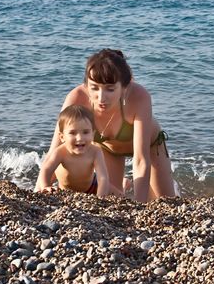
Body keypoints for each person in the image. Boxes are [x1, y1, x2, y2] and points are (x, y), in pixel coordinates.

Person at [46, 49, 176, 202]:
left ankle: (154, 188)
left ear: (124, 87)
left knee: (164, 202)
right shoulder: (76, 97)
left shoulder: (139, 96)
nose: (101, 98)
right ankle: (124, 184)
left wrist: (139, 206)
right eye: (94, 87)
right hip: (108, 149)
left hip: (151, 147)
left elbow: (141, 159)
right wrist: (40, 189)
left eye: (110, 89)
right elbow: (55, 149)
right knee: (113, 201)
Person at [35, 105, 118, 197]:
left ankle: (125, 184)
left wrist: (100, 198)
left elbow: (102, 178)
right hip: (65, 190)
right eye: (73, 133)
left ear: (93, 134)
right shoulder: (60, 152)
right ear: (62, 137)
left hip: (92, 185)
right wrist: (46, 186)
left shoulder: (95, 152)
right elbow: (46, 169)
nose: (80, 138)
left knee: (119, 196)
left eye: (86, 132)